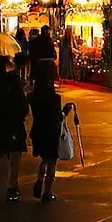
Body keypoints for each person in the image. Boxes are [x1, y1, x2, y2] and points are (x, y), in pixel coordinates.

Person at [28, 63, 72, 202]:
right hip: (51, 133)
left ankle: (40, 178)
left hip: (38, 131)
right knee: (52, 162)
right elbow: (57, 116)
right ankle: (47, 192)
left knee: (44, 159)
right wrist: (66, 111)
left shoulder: (32, 96)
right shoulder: (54, 98)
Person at [0, 57, 28, 201]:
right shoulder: (12, 83)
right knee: (15, 155)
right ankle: (12, 186)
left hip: (2, 122)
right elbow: (21, 104)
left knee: (12, 154)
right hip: (13, 123)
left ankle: (13, 184)